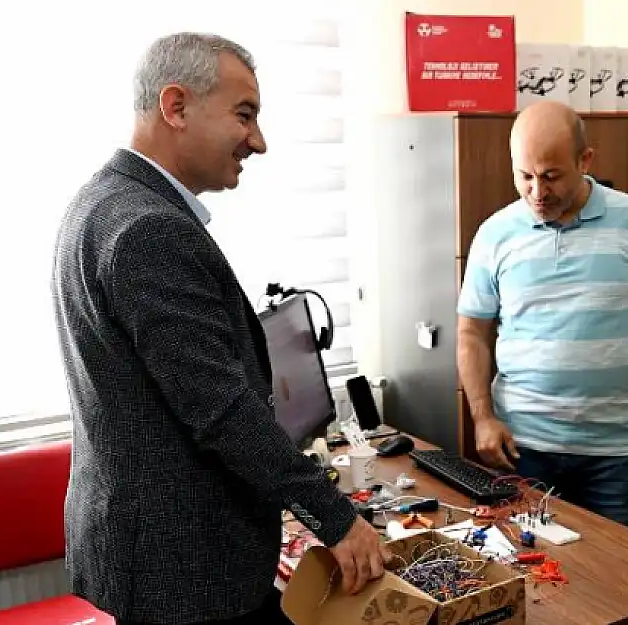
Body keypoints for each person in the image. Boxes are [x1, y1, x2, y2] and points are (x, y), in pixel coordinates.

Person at [51, 33, 388, 625]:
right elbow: (221, 408)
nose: (257, 141)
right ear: (175, 106)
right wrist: (336, 518)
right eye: (244, 115)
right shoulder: (148, 229)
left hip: (152, 548)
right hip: (184, 565)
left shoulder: (101, 202)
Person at [456, 101, 628, 536]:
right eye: (524, 176)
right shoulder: (495, 234)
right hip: (523, 449)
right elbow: (472, 332)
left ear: (585, 160)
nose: (537, 192)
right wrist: (482, 416)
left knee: (626, 587)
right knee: (538, 587)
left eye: (552, 176)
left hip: (623, 454)